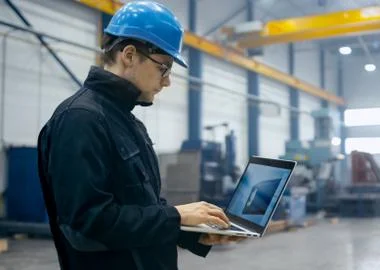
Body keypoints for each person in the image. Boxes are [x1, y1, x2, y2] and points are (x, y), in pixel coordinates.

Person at [37, 2, 240, 270]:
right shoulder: (80, 120)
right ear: (130, 55)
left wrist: (193, 233)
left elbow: (142, 206)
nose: (167, 81)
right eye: (163, 68)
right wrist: (176, 216)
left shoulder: (125, 121)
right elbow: (89, 222)